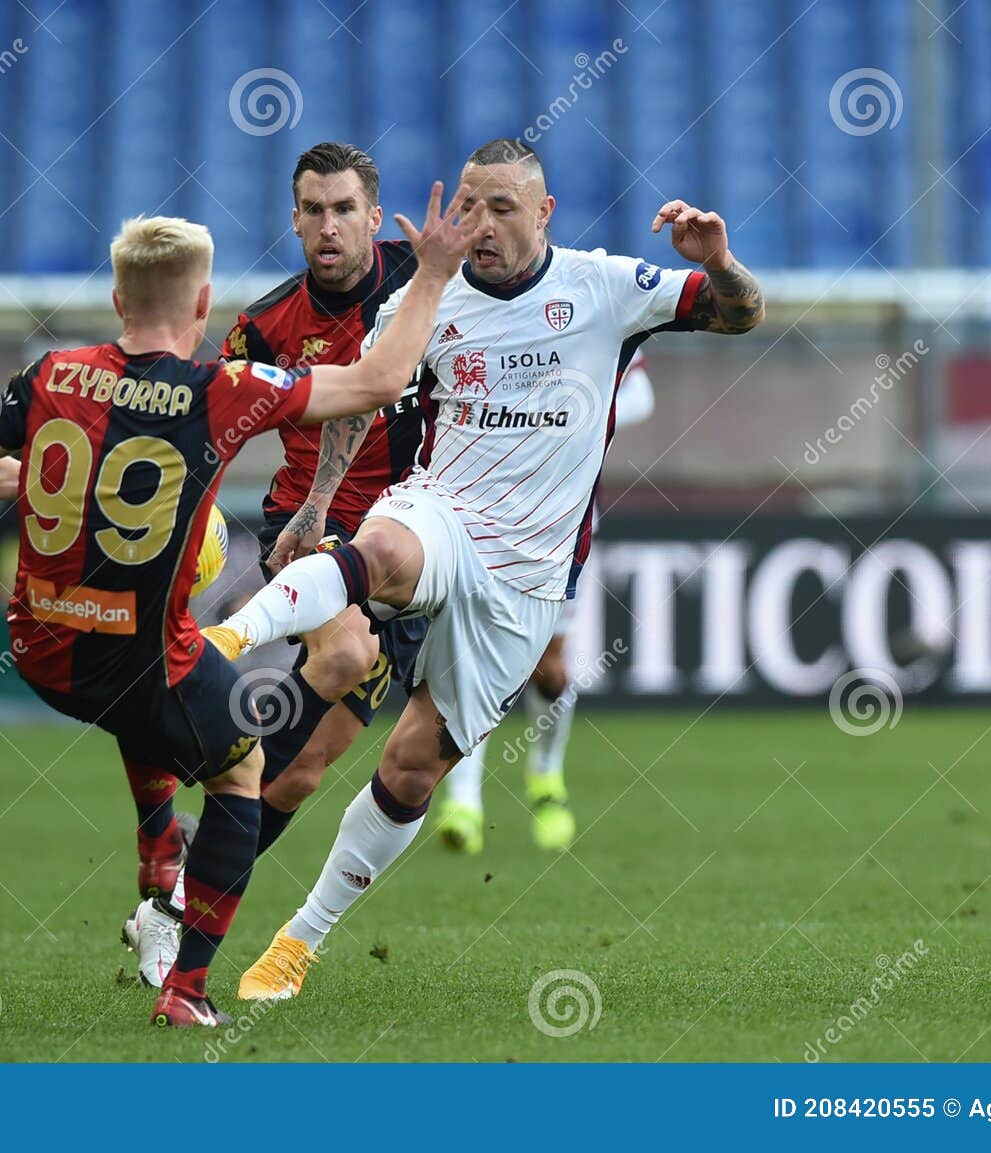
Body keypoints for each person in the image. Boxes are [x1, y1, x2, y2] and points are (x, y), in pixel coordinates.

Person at [204, 138, 764, 1001]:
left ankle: (297, 942)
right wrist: (317, 507)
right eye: (470, 206)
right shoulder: (426, 297)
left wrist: (719, 259)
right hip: (441, 512)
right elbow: (362, 394)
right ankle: (226, 636)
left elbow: (742, 315)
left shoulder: (605, 286)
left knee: (413, 766)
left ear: (544, 213)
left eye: (504, 207)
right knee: (380, 553)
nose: (484, 225)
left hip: (530, 574)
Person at [0, 187, 482, 1027]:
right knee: (243, 770)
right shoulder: (220, 388)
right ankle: (184, 989)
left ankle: (157, 855)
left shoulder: (51, 373)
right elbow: (380, 380)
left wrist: (46, 476)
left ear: (118, 301)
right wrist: (434, 274)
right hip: (138, 654)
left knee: (151, 685)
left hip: (40, 651)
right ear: (200, 302)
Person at [217, 142, 427, 858]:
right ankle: (220, 766)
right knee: (341, 654)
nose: (328, 225)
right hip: (312, 523)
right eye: (314, 211)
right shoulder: (263, 328)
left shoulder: (427, 279)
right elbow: (209, 433)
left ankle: (183, 891)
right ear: (295, 222)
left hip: (415, 539)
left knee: (301, 775)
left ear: (374, 218)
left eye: (344, 210)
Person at [435, 349, 656, 853]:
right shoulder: (484, 304)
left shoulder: (597, 294)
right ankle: (463, 801)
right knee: (475, 660)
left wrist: (571, 409)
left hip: (561, 519)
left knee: (548, 668)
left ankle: (546, 777)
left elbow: (641, 394)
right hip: (480, 512)